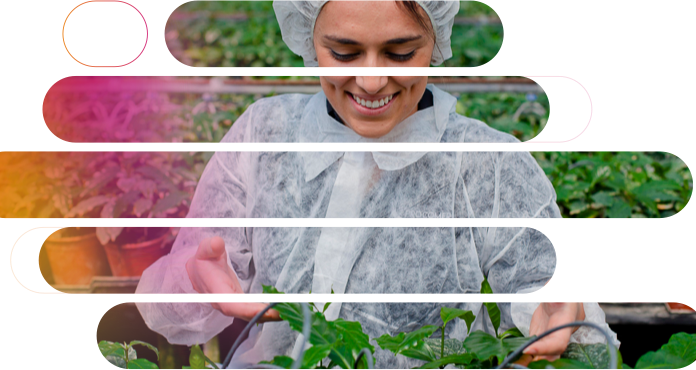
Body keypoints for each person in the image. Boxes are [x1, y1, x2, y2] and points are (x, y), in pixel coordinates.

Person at [135, 0, 619, 367]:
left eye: (401, 52)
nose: (370, 81)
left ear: (437, 39)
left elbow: (561, 304)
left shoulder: (485, 164)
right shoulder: (265, 134)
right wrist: (197, 280)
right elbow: (174, 302)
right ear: (308, 37)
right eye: (343, 52)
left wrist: (560, 315)